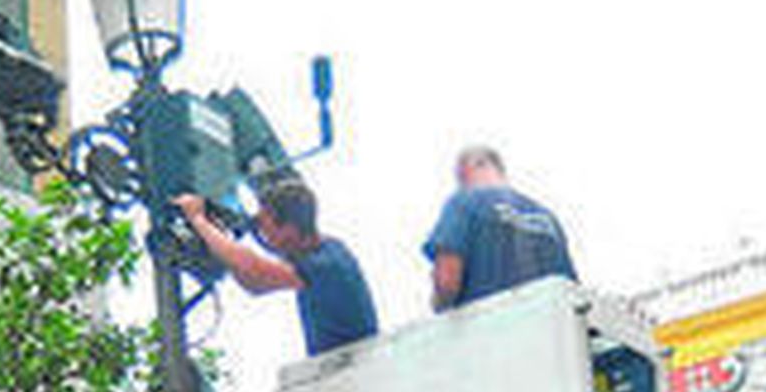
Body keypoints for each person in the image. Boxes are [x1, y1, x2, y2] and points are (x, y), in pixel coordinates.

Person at [173, 180, 379, 357]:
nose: (265, 237)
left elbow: (255, 272)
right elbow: (252, 283)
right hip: (340, 370)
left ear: (288, 230)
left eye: (267, 228)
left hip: (355, 371)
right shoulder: (323, 249)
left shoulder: (329, 265)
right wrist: (219, 240)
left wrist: (198, 220)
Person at [424, 145, 577, 312]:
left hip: (491, 330)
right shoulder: (548, 218)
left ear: (476, 165)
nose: (460, 183)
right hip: (552, 329)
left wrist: (439, 304)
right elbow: (571, 290)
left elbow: (447, 281)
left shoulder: (463, 202)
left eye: (460, 176)